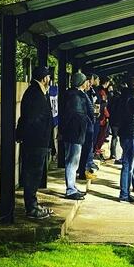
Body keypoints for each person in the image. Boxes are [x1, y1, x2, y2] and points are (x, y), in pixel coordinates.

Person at [16, 66, 53, 219]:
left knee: (34, 174)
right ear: (45, 78)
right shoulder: (36, 94)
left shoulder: (34, 92)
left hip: (36, 141)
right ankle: (31, 208)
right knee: (33, 174)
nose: (50, 80)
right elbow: (33, 119)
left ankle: (33, 204)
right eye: (49, 77)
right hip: (36, 142)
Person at [60, 72, 92, 200]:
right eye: (85, 81)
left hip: (74, 132)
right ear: (81, 82)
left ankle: (72, 186)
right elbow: (77, 115)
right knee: (72, 161)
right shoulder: (76, 97)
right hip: (75, 133)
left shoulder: (74, 95)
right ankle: (70, 190)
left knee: (73, 161)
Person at [94, 77, 112, 156]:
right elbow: (103, 105)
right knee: (100, 134)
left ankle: (97, 148)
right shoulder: (101, 91)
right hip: (101, 117)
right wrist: (107, 115)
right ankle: (96, 149)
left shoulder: (102, 91)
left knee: (101, 134)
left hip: (102, 116)